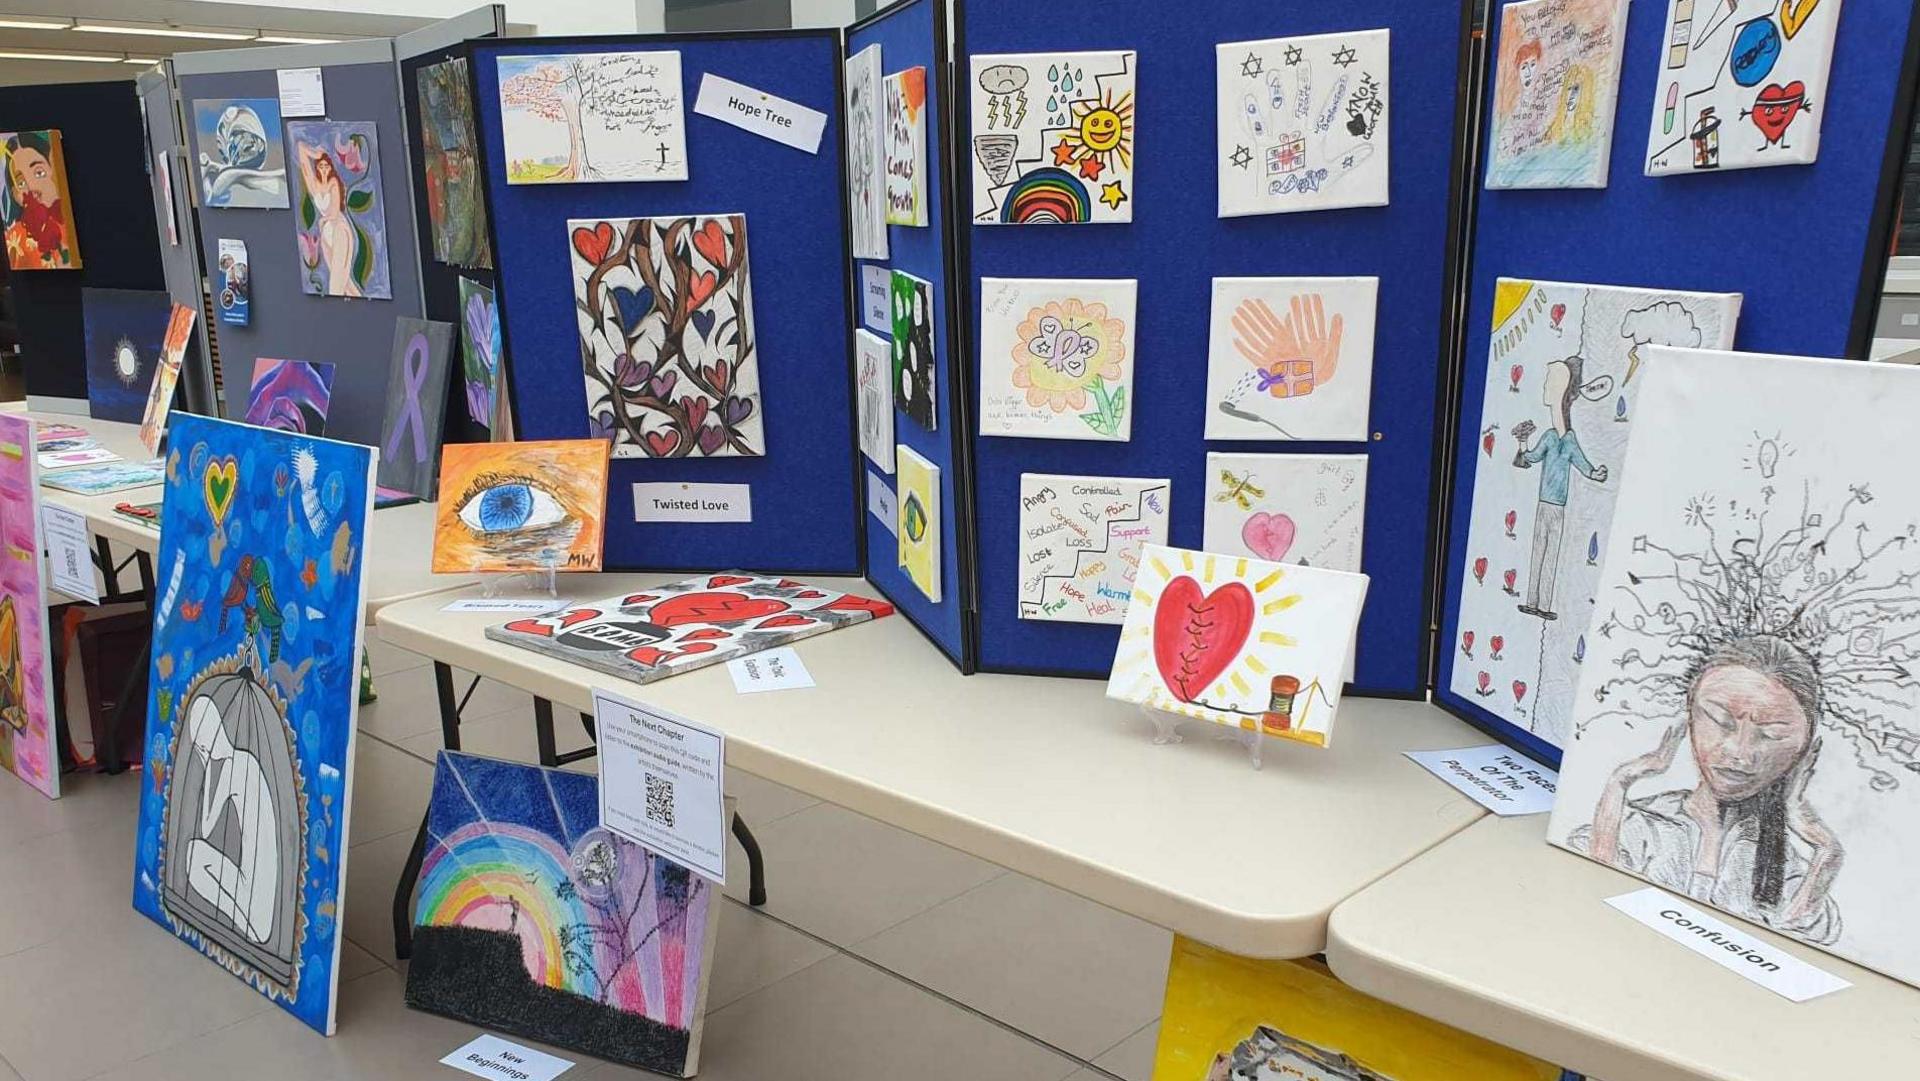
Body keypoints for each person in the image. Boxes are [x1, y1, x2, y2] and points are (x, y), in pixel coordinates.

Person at [1573, 635, 1843, 943]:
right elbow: (1591, 898)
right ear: (1689, 715)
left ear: (1805, 751)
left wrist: (1828, 853)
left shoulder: (1785, 868)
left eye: (1771, 734)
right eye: (1720, 720)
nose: (1740, 753)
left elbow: (1794, 947)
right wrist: (1619, 783)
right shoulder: (1644, 824)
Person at [1510, 354, 1611, 619]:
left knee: (1551, 553)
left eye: (1549, 381)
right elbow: (1529, 459)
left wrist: (1597, 473)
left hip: (1557, 507)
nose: (1545, 386)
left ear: (1562, 389)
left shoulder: (1568, 440)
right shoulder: (1550, 437)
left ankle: (1543, 605)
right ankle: (1532, 601)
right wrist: (1522, 442)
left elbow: (1584, 465)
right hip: (1544, 504)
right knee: (1538, 551)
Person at [181, 693, 281, 944]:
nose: (203, 751)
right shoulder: (243, 760)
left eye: (202, 746)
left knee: (193, 855)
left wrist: (206, 768)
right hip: (256, 883)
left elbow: (205, 827)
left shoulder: (232, 766)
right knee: (194, 853)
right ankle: (250, 923)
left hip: (257, 890)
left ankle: (247, 924)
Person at [295, 138, 363, 297]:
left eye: (326, 166)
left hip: (339, 229)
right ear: (317, 167)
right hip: (327, 235)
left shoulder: (333, 182)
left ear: (330, 167)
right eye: (321, 166)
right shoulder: (314, 185)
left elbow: (333, 212)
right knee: (344, 282)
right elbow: (300, 149)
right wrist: (316, 153)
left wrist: (322, 221)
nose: (324, 169)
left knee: (336, 285)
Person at [4, 132, 74, 268]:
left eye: (39, 173)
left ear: (53, 167)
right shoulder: (16, 239)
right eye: (21, 183)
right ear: (15, 195)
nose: (32, 188)